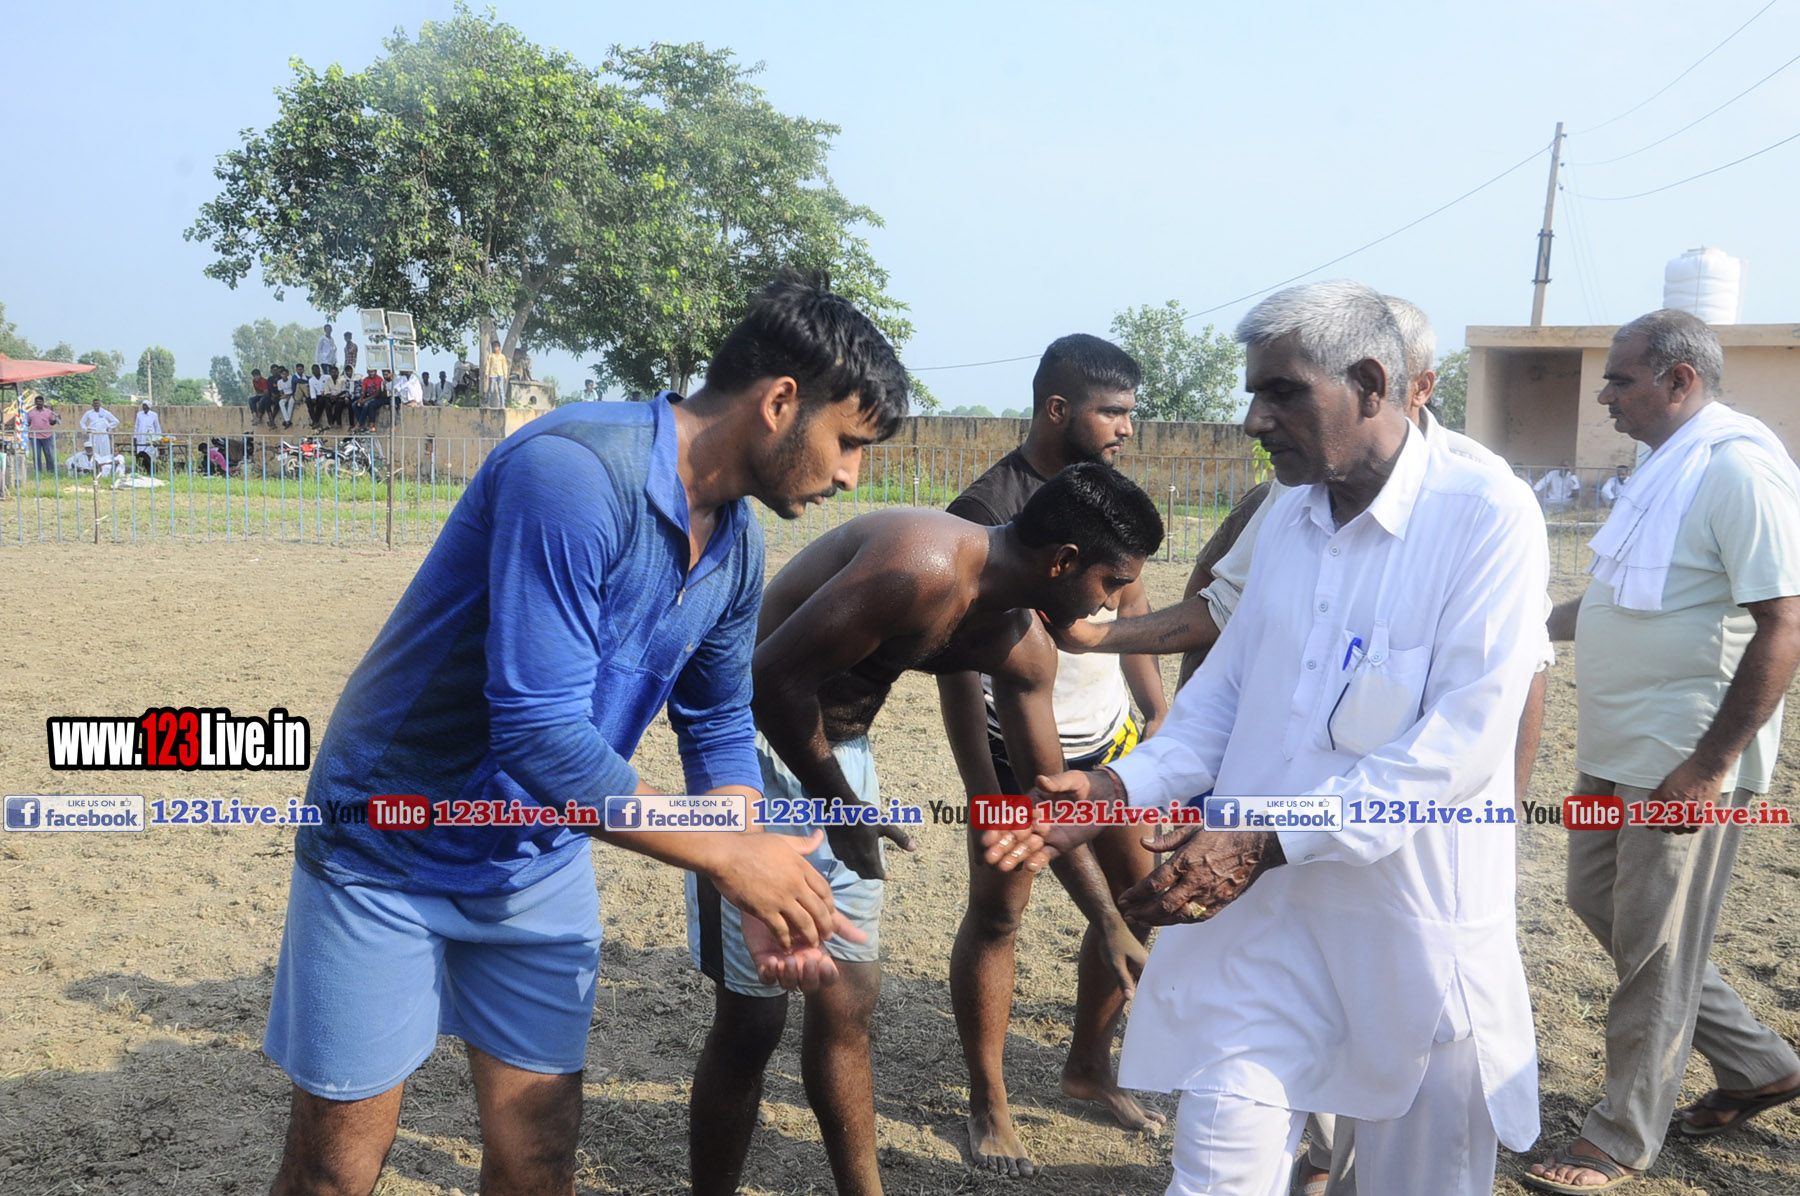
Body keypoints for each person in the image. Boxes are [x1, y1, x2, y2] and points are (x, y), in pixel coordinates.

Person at [263, 275, 909, 1196]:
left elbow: (719, 723)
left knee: (540, 1154)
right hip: (387, 848)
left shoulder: (737, 545)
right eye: (848, 442)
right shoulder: (572, 473)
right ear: (779, 402)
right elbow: (535, 732)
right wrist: (731, 858)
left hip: (537, 859)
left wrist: (749, 868)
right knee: (336, 1170)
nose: (850, 477)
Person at [987, 280, 1548, 1196]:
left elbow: (1463, 741)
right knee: (1214, 1173)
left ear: (1371, 384)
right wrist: (1120, 788)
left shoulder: (1486, 513)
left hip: (1405, 924)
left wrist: (1265, 840)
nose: (1254, 420)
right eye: (1254, 394)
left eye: (1281, 393)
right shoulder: (1288, 512)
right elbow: (1229, 695)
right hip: (1256, 928)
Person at [685, 463, 1164, 1196]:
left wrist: (1107, 921)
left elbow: (1042, 802)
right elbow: (769, 680)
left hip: (841, 762)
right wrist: (843, 808)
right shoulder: (923, 563)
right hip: (749, 756)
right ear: (1064, 562)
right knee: (753, 1022)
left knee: (848, 1000)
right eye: (1110, 584)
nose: (1109, 605)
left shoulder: (1021, 645)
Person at [1526, 310, 1800, 1193]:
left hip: (1681, 759)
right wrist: (1520, 627)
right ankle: (1760, 1064)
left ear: (1680, 381)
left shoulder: (1738, 469)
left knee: (1655, 950)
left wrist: (1710, 766)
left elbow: (1785, 622)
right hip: (1617, 746)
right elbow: (1619, 600)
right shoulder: (1664, 472)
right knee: (1601, 901)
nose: (1604, 396)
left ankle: (1617, 1138)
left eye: (1620, 379)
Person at [938, 334, 1170, 1175]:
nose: (1127, 429)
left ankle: (1086, 1068)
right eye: (1113, 413)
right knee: (1000, 915)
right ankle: (988, 1102)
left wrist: (1157, 711)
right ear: (1058, 409)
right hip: (1013, 754)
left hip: (1105, 748)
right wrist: (984, 791)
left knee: (1143, 899)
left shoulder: (1111, 493)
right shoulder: (983, 511)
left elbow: (1132, 606)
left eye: (1131, 414)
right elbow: (958, 669)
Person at [25, 394, 60, 476]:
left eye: (40, 401)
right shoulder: (30, 413)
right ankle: (38, 472)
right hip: (35, 437)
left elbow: (51, 423)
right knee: (36, 455)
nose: (39, 403)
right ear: (35, 403)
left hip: (47, 436)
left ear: (43, 402)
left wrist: (57, 420)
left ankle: (51, 471)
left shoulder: (48, 412)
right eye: (37, 401)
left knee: (49, 454)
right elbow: (27, 423)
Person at [79, 397, 120, 462]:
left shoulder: (105, 412)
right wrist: (86, 429)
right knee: (94, 450)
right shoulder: (89, 413)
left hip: (103, 434)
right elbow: (82, 422)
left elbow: (116, 421)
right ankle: (93, 465)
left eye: (97, 404)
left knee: (105, 450)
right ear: (92, 405)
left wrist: (108, 427)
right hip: (93, 434)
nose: (96, 405)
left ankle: (106, 464)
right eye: (95, 404)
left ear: (100, 404)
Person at [133, 397, 162, 473]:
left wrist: (158, 438)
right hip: (140, 437)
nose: (144, 407)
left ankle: (151, 470)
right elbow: (136, 426)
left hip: (150, 438)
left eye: (146, 406)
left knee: (149, 454)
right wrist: (135, 436)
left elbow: (157, 427)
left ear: (149, 406)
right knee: (140, 454)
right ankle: (140, 469)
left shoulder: (154, 415)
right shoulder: (139, 414)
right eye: (143, 405)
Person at [483, 339, 508, 409]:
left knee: (501, 389)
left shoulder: (502, 356)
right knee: (490, 389)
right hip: (492, 374)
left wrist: (505, 375)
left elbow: (504, 366)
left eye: (496, 347)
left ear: (499, 348)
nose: (495, 348)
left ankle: (502, 404)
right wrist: (486, 374)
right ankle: (487, 403)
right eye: (494, 347)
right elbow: (488, 365)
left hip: (500, 374)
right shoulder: (490, 356)